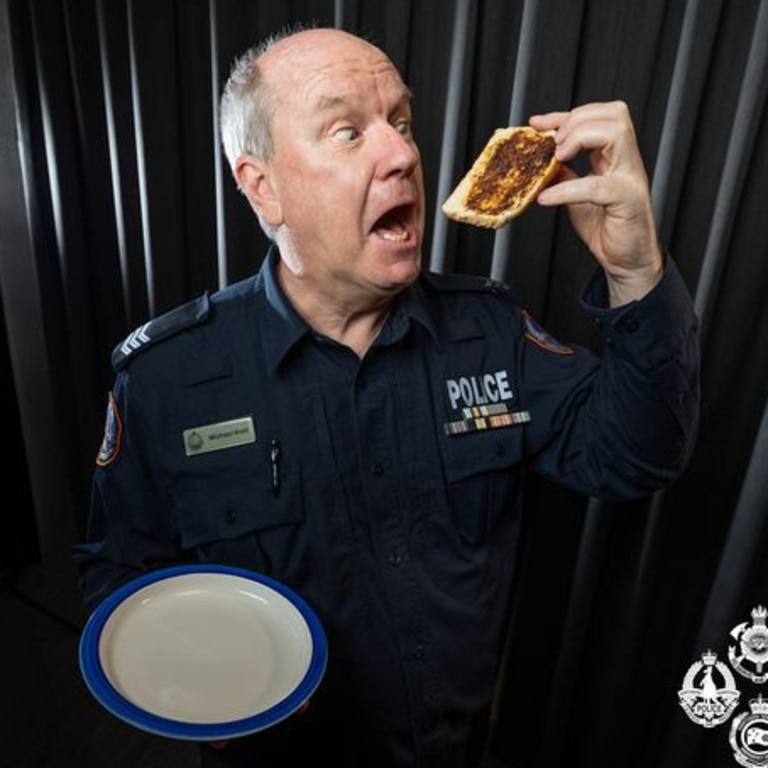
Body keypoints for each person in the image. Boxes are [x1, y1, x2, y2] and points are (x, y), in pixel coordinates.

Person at [73, 25, 700, 768]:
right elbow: (121, 580)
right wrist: (214, 683)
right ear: (261, 186)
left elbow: (640, 454)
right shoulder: (165, 380)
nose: (403, 153)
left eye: (401, 122)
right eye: (347, 131)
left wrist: (635, 269)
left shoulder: (489, 333)